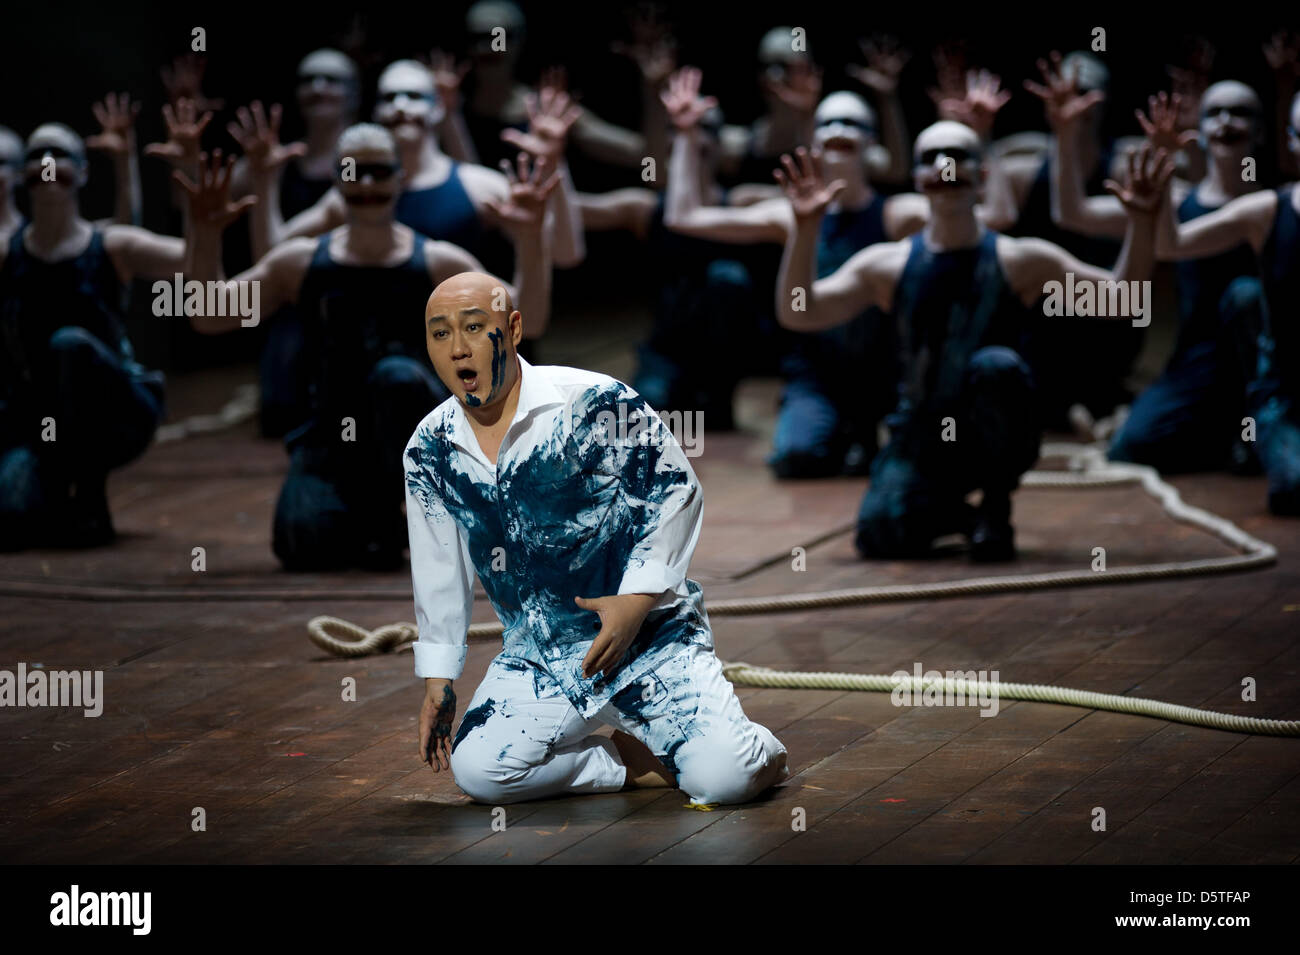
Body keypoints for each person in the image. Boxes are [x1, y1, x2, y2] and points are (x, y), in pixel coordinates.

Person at [406, 270, 789, 807]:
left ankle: (746, 750)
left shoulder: (592, 402)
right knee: (480, 772)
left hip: (646, 640)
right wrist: (438, 678)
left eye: (474, 328)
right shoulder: (430, 447)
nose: (458, 348)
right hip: (540, 654)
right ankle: (631, 765)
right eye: (440, 333)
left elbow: (674, 492)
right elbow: (438, 568)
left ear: (513, 329)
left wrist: (635, 602)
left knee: (725, 781)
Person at [775, 122, 1171, 561]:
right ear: (917, 179)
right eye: (931, 157)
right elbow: (799, 311)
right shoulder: (887, 265)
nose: (946, 167)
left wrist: (1143, 221)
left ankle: (996, 502)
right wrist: (805, 228)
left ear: (983, 176)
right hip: (922, 434)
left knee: (996, 367)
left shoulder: (1019, 259)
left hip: (993, 424)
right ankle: (964, 517)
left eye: (959, 156)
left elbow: (1121, 298)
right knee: (881, 533)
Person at [179, 125, 556, 569]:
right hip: (331, 436)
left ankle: (427, 507)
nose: (368, 184)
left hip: (422, 433)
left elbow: (527, 320)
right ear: (337, 180)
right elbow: (209, 315)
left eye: (380, 172)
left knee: (394, 378)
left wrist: (531, 239)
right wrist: (203, 233)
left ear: (401, 178)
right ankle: (380, 517)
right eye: (354, 172)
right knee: (302, 542)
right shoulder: (298, 262)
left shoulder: (440, 263)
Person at [662, 68, 929, 476]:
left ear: (871, 140)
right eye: (828, 123)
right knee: (795, 457)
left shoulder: (897, 214)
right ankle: (835, 427)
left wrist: (975, 140)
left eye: (852, 123)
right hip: (815, 376)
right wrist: (684, 136)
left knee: (915, 457)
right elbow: (684, 216)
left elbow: (992, 214)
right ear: (813, 138)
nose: (839, 131)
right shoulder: (788, 214)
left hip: (885, 373)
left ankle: (864, 428)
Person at [1050, 80, 1268, 474]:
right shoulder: (1178, 200)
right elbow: (1072, 213)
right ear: (1198, 132)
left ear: (1260, 130)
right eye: (1214, 113)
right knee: (1130, 447)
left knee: (1246, 295)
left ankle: (1253, 428)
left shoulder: (1275, 207)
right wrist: (1065, 134)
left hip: (1267, 366)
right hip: (1196, 365)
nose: (1226, 122)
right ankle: (1223, 436)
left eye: (1240, 113)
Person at [0, 124, 194, 549]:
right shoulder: (7, 253)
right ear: (22, 174)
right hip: (40, 421)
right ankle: (53, 485)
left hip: (115, 414)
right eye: (37, 154)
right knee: (14, 518)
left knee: (70, 345)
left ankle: (88, 490)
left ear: (84, 172)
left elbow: (194, 264)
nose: (48, 163)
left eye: (60, 154)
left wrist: (196, 189)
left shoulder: (111, 245)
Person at [1153, 91, 1300, 515]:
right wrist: (1162, 173)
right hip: (1280, 389)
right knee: (1292, 490)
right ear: (1291, 140)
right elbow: (1168, 244)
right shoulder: (1268, 209)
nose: (1226, 122)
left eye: (1239, 114)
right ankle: (1244, 433)